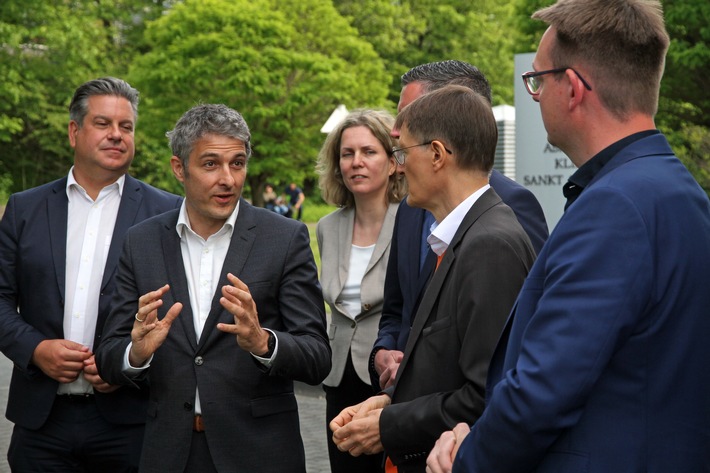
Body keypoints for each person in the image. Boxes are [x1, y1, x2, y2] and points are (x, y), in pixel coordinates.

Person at [426, 1, 710, 472]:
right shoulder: (679, 192)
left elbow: (543, 390)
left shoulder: (615, 207)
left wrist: (467, 458)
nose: (535, 96)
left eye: (537, 81)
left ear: (573, 88)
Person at [95, 103, 331, 473]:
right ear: (179, 169)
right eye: (210, 164)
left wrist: (263, 343)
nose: (228, 179)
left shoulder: (285, 238)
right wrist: (135, 353)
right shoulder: (140, 242)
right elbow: (109, 357)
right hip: (170, 454)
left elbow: (317, 357)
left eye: (237, 163)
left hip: (260, 454)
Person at [330, 85, 536, 473]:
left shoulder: (489, 244)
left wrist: (388, 425)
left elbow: (486, 394)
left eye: (403, 153)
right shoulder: (463, 235)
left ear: (438, 155)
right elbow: (446, 368)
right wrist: (390, 400)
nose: (399, 166)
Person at [0, 77, 182, 472]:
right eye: (103, 124)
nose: (117, 135)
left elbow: (186, 315)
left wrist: (128, 362)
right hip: (41, 423)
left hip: (133, 421)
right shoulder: (24, 209)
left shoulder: (168, 214)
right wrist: (35, 349)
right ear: (74, 131)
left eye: (126, 126)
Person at [370, 60, 549, 391]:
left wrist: (389, 422)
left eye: (407, 119)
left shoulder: (507, 215)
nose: (394, 131)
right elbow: (398, 309)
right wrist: (384, 352)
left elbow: (500, 365)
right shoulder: (409, 208)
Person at [315, 109, 406, 473]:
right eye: (347, 153)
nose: (356, 162)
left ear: (392, 160)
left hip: (389, 376)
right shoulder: (327, 227)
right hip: (338, 377)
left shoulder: (414, 221)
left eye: (369, 152)